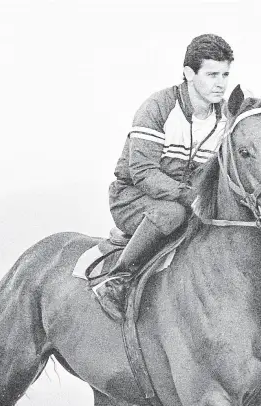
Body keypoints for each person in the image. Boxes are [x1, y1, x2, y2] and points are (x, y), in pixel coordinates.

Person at [92, 33, 234, 322]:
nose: (220, 83)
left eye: (225, 74)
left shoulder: (225, 120)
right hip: (132, 198)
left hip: (184, 203)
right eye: (212, 74)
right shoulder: (158, 108)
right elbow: (142, 172)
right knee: (173, 213)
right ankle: (117, 281)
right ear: (188, 74)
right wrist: (190, 196)